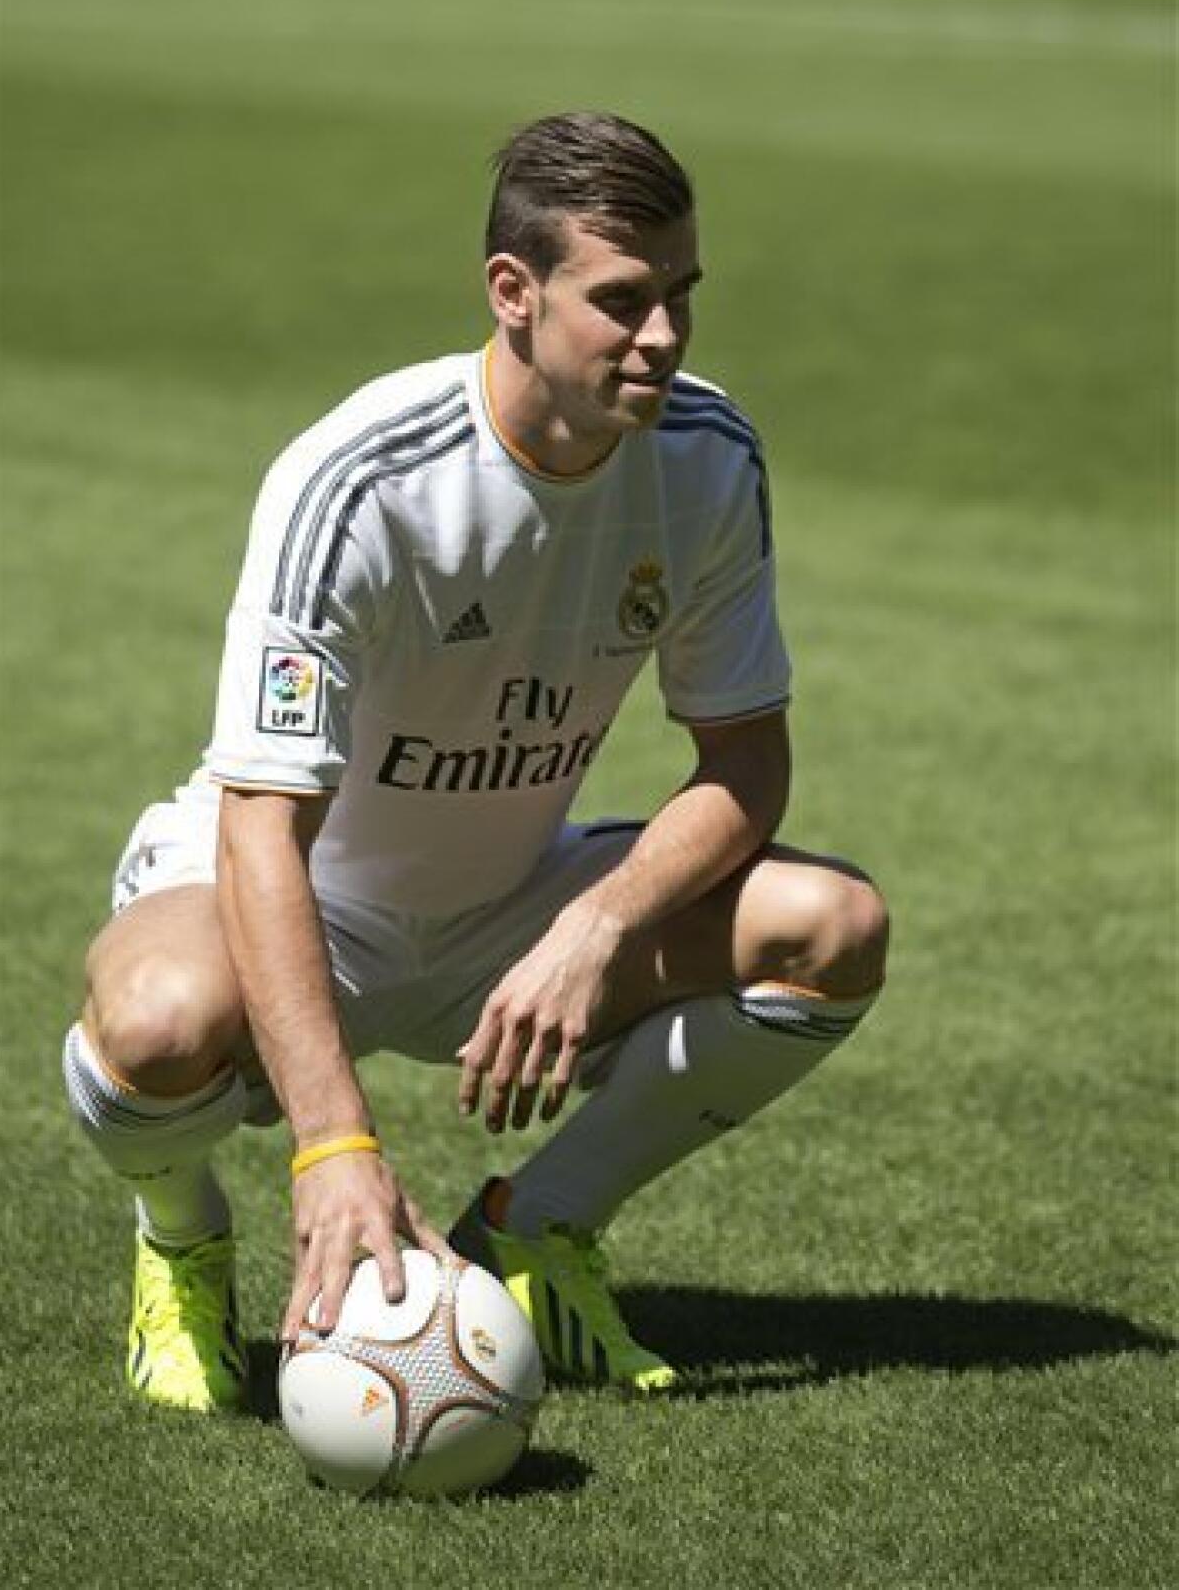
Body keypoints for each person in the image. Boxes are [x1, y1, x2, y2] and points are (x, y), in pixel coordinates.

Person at [63, 112, 889, 1410]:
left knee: (831, 926)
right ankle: (180, 1239)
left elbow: (746, 763)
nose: (662, 336)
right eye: (622, 302)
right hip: (299, 903)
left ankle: (534, 1228)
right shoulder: (361, 480)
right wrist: (333, 1144)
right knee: (156, 1026)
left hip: (514, 903)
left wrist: (598, 926)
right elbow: (260, 829)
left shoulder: (707, 456)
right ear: (513, 293)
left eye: (681, 296)